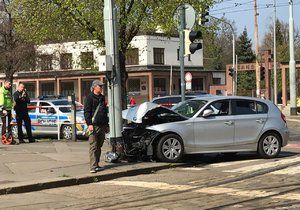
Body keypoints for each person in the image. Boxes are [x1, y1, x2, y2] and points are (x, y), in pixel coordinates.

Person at [84, 80, 109, 173]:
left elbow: (104, 112)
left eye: (102, 86)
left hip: (102, 125)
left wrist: (106, 124)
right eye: (100, 86)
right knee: (93, 146)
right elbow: (87, 112)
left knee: (99, 145)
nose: (101, 88)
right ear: (94, 87)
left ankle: (97, 164)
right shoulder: (89, 98)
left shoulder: (102, 97)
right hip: (93, 126)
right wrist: (89, 124)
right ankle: (93, 167)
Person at [0, 80, 17, 144]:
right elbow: (1, 100)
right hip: (3, 109)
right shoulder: (2, 90)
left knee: (10, 124)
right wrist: (3, 109)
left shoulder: (8, 91)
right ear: (5, 84)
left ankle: (10, 138)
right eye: (9, 84)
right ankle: (4, 138)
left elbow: (11, 100)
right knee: (4, 124)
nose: (10, 85)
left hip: (9, 110)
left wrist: (13, 106)